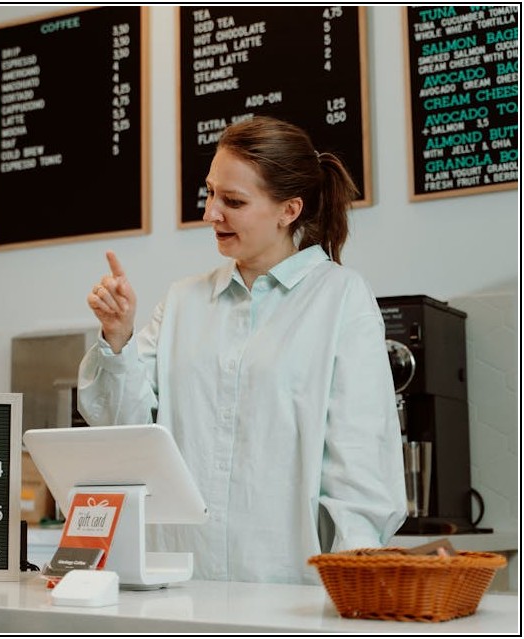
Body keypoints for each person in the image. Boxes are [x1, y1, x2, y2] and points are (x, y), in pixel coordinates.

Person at [77, 116, 407, 585]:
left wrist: (353, 582)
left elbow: (361, 464)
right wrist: (118, 337)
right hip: (180, 585)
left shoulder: (340, 298)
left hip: (290, 590)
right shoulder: (182, 301)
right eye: (210, 193)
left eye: (233, 201)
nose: (211, 213)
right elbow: (122, 431)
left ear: (289, 209)